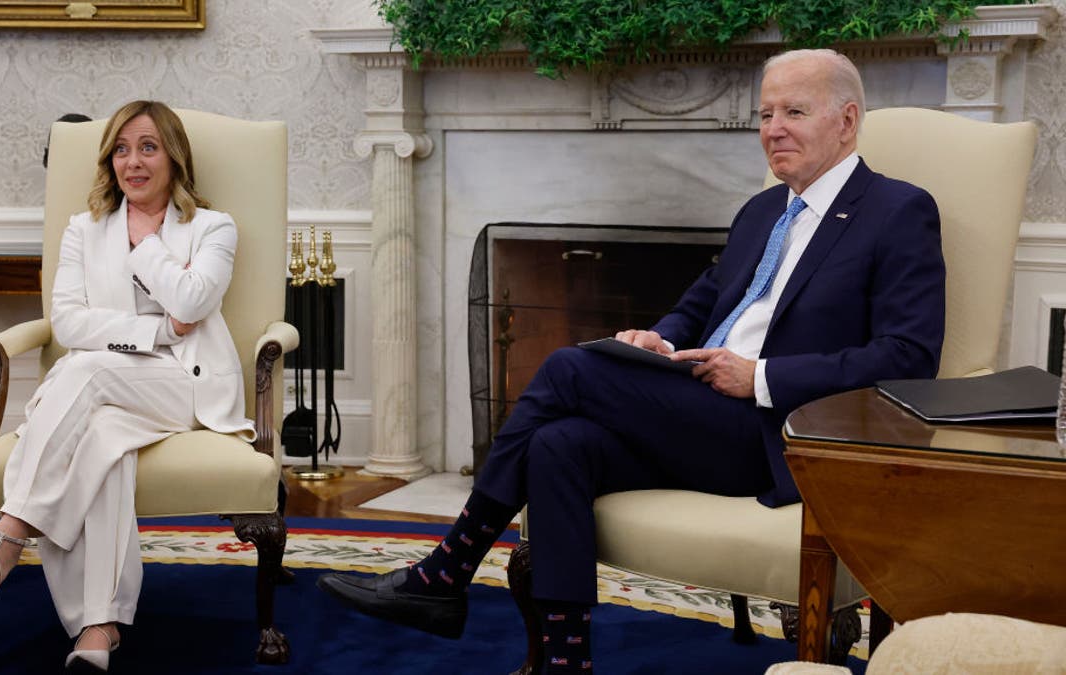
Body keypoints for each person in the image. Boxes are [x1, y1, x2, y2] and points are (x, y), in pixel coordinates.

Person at [318, 49, 947, 673]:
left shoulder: (897, 210)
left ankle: (446, 570)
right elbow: (705, 299)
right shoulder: (762, 211)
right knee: (559, 446)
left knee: (569, 368)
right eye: (764, 114)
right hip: (701, 407)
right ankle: (568, 662)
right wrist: (662, 340)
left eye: (794, 111)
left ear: (846, 120)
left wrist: (758, 377)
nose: (773, 129)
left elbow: (908, 356)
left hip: (777, 431)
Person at [0, 100, 253, 673]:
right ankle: (98, 624)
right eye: (121, 149)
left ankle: (8, 536)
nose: (132, 161)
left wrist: (147, 244)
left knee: (84, 369)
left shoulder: (213, 227)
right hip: (113, 392)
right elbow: (68, 323)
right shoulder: (83, 230)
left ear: (173, 156)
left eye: (147, 147)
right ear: (109, 160)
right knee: (103, 443)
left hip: (184, 386)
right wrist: (158, 329)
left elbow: (192, 300)